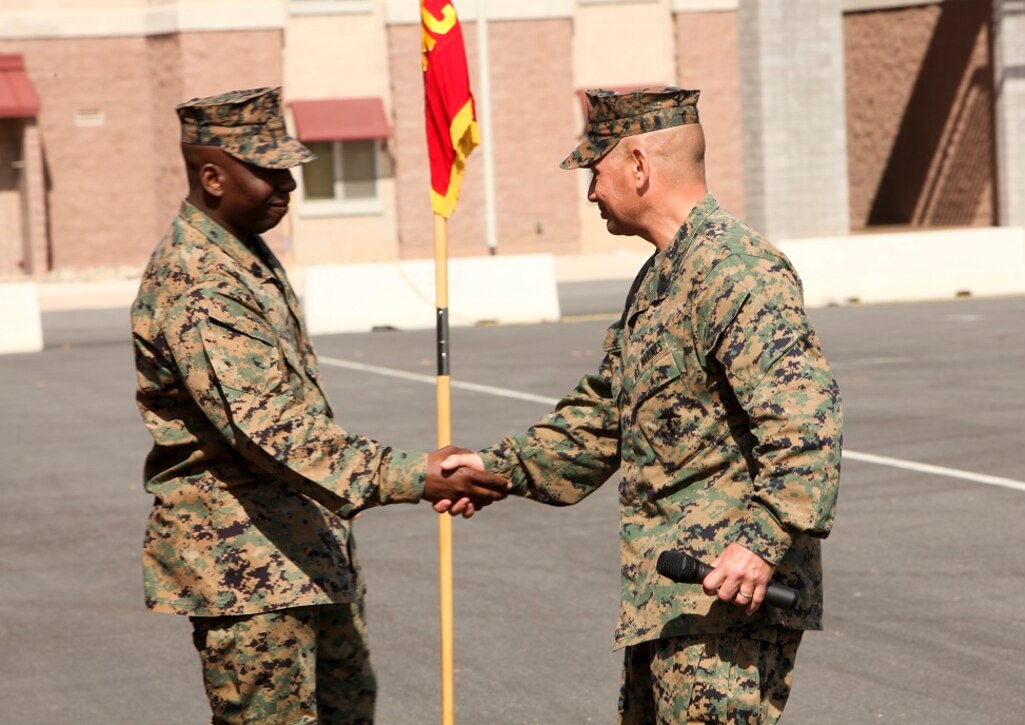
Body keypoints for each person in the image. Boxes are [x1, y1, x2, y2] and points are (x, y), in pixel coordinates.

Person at [439, 87, 843, 723]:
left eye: (594, 172)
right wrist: (493, 468)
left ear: (637, 166)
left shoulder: (736, 270)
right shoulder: (661, 276)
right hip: (670, 599)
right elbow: (603, 417)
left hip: (724, 596)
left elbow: (805, 423)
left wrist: (759, 545)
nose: (591, 192)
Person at [130, 86, 508, 724]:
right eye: (269, 170)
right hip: (247, 572)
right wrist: (417, 474)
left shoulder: (241, 254)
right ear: (214, 176)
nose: (288, 186)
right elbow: (269, 430)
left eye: (290, 169)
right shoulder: (196, 281)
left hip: (301, 551)